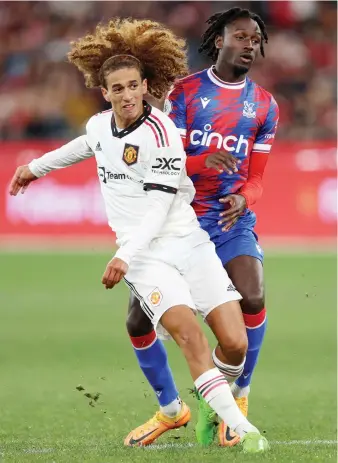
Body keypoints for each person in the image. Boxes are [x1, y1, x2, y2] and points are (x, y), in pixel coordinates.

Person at [9, 18, 269, 454]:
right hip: (148, 259)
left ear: (146, 85)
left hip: (186, 241)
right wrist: (33, 168)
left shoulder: (163, 134)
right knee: (191, 337)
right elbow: (82, 145)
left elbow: (159, 204)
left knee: (236, 342)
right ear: (105, 92)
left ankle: (209, 405)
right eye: (118, 89)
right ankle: (242, 429)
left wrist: (122, 255)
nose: (127, 95)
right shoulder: (98, 126)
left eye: (134, 86)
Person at [126, 7, 279, 447]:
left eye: (256, 38)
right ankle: (171, 409)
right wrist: (200, 161)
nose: (250, 44)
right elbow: (164, 162)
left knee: (253, 295)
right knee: (139, 321)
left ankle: (238, 395)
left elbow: (258, 178)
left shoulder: (265, 105)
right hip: (178, 219)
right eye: (241, 36)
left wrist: (243, 198)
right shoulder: (186, 93)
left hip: (230, 221)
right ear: (219, 40)